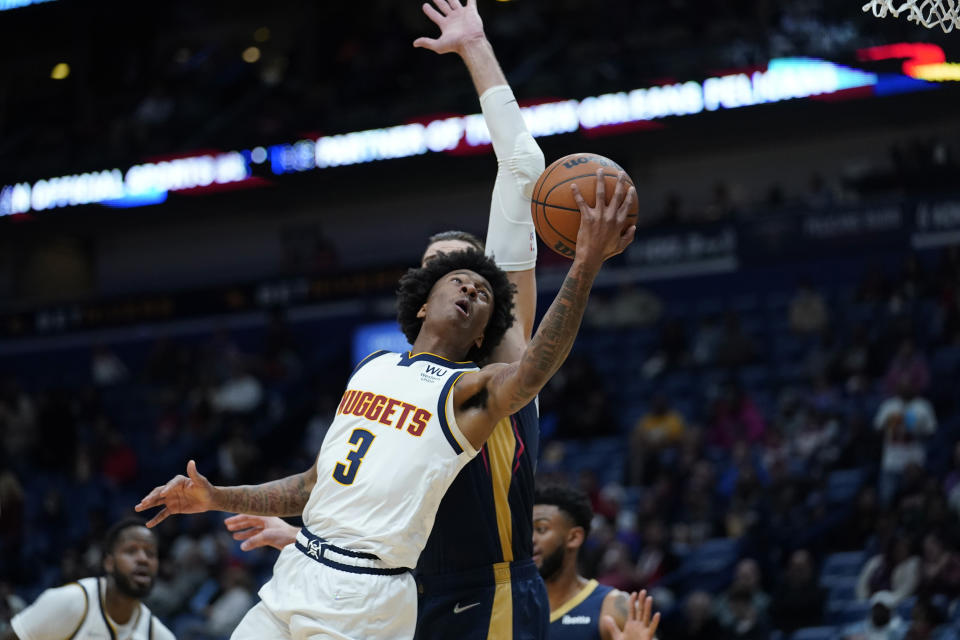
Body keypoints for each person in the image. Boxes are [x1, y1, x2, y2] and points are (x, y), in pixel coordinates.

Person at [135, 153, 636, 640]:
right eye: (458, 282)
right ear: (422, 306)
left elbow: (533, 370)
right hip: (298, 572)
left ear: (484, 335)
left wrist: (584, 265)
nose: (469, 291)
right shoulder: (371, 370)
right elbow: (313, 485)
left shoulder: (467, 394)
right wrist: (215, 497)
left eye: (483, 294)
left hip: (367, 598)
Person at [226, 0, 552, 635]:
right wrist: (303, 538)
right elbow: (364, 500)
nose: (450, 280)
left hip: (489, 589)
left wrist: (474, 48)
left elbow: (522, 169)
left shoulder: (502, 351)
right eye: (433, 271)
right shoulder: (387, 376)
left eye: (464, 268)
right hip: (397, 594)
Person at [4, 518, 174, 640]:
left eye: (150, 553)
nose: (143, 559)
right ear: (109, 563)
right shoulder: (71, 601)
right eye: (131, 551)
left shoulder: (157, 634)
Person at [532, 484, 629, 640]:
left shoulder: (613, 607)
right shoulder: (508, 607)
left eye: (541, 529)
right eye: (525, 531)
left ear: (574, 537)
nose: (530, 539)